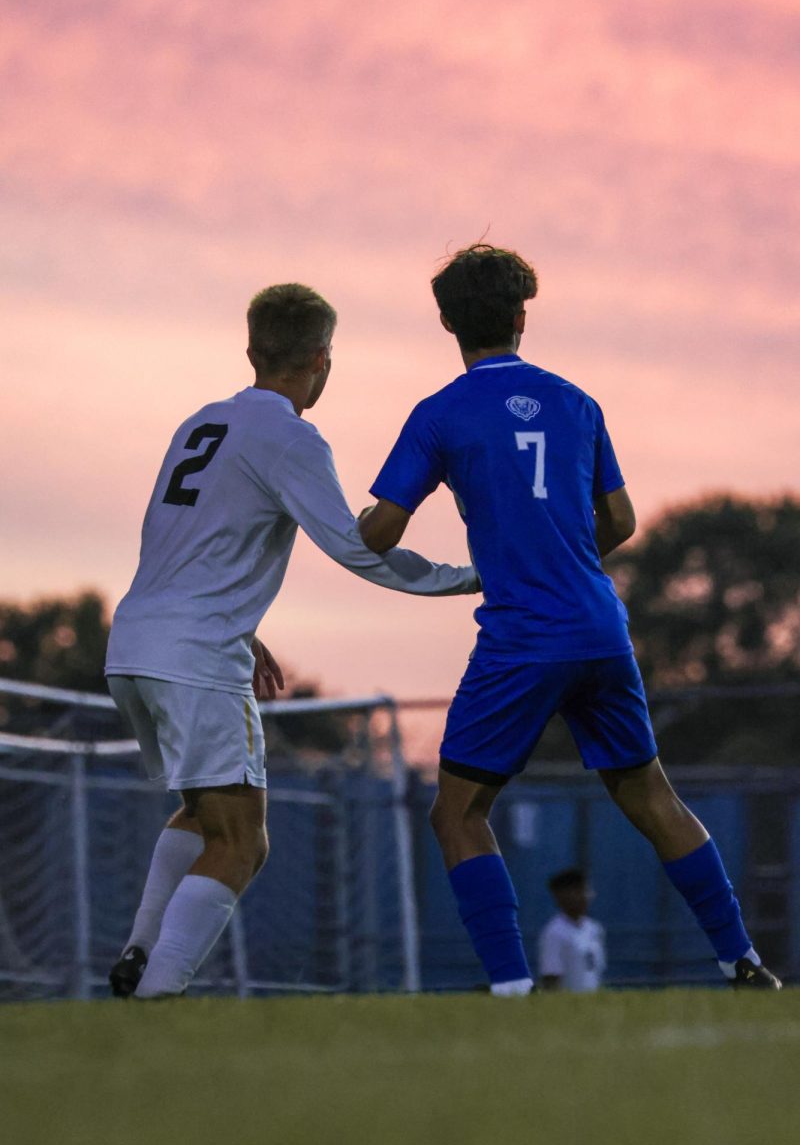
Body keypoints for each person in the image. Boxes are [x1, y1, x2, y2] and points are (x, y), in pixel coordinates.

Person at [359, 243, 781, 993]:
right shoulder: (578, 402)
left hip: (523, 635)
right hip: (600, 627)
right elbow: (619, 520)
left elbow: (381, 531)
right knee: (654, 797)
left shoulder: (439, 414)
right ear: (523, 317)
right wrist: (559, 550)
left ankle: (513, 988)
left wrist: (334, 523)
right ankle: (742, 958)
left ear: (448, 324)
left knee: (457, 814)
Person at [105, 282, 478, 999]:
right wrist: (469, 578)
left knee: (201, 811)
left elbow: (186, 542)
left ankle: (138, 951)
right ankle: (157, 995)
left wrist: (245, 626)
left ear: (251, 351)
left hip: (135, 644)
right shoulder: (292, 436)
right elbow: (356, 547)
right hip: (195, 654)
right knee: (243, 839)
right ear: (321, 359)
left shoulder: (199, 423)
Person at [538, 869, 605, 992]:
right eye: (583, 891)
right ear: (566, 895)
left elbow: (595, 973)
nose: (589, 896)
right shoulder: (554, 932)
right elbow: (551, 979)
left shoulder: (594, 928)